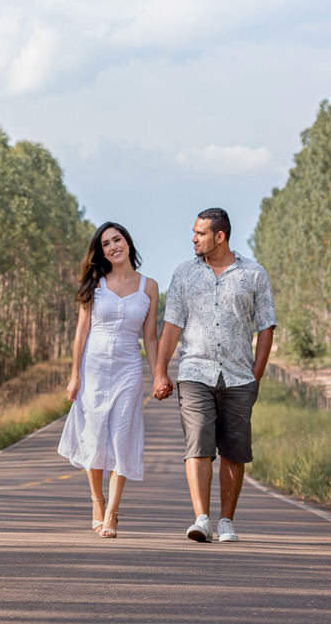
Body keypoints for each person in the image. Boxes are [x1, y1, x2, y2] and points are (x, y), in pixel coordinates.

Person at [152, 207, 276, 543]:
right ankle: (202, 519)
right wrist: (161, 371)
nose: (193, 239)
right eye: (194, 232)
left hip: (238, 376)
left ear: (219, 236)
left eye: (200, 233)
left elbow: (266, 326)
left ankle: (226, 522)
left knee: (234, 452)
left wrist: (256, 375)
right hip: (195, 370)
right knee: (198, 444)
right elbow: (172, 324)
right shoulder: (184, 275)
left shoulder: (253, 274)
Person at [58, 222, 160, 539]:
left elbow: (151, 338)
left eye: (117, 240)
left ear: (128, 243)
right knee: (94, 437)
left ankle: (113, 512)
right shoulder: (95, 284)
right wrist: (75, 374)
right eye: (106, 244)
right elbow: (81, 333)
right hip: (93, 368)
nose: (113, 246)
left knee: (121, 438)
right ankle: (97, 501)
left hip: (129, 369)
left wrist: (159, 375)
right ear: (101, 251)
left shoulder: (149, 287)